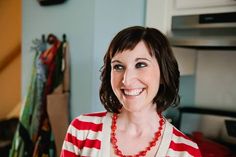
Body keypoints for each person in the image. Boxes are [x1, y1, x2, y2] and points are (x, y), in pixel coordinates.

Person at [60, 26, 202, 157]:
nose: (126, 80)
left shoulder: (186, 151)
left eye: (140, 65)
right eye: (118, 67)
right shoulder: (81, 130)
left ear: (163, 75)